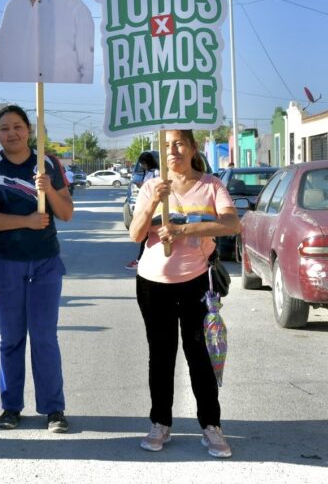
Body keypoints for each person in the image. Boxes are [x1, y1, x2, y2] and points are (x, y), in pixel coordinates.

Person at [129, 130, 240, 458]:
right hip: (152, 284)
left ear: (192, 148)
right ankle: (160, 423)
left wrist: (183, 229)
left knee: (200, 356)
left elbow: (232, 224)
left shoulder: (211, 185)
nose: (172, 150)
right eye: (166, 146)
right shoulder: (151, 186)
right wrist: (151, 201)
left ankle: (211, 426)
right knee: (160, 356)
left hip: (195, 282)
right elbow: (135, 232)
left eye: (178, 143)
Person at [0, 105, 73, 433]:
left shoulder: (50, 164)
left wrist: (49, 191)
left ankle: (53, 409)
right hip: (3, 263)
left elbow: (66, 212)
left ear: (29, 130)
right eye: (4, 128)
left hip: (45, 262)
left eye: (17, 126)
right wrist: (26, 221)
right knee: (11, 338)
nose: (11, 133)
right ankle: (10, 406)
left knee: (44, 337)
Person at [125, 151, 159, 270]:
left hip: (153, 207)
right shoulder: (149, 172)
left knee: (145, 235)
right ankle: (141, 258)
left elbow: (155, 188)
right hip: (146, 204)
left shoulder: (156, 172)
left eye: (143, 163)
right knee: (145, 235)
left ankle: (140, 259)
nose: (142, 166)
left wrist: (143, 186)